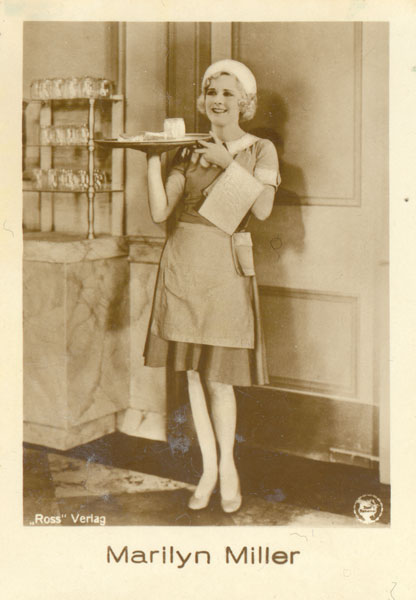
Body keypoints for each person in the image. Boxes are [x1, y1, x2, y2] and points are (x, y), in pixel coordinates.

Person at [143, 59, 280, 513]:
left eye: (227, 93)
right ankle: (207, 470)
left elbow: (262, 210)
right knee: (193, 376)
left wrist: (226, 163)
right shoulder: (186, 151)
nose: (217, 100)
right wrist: (151, 159)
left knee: (219, 379)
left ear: (245, 102)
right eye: (211, 92)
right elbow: (160, 213)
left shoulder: (260, 149)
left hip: (225, 271)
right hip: (183, 268)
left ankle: (228, 470)